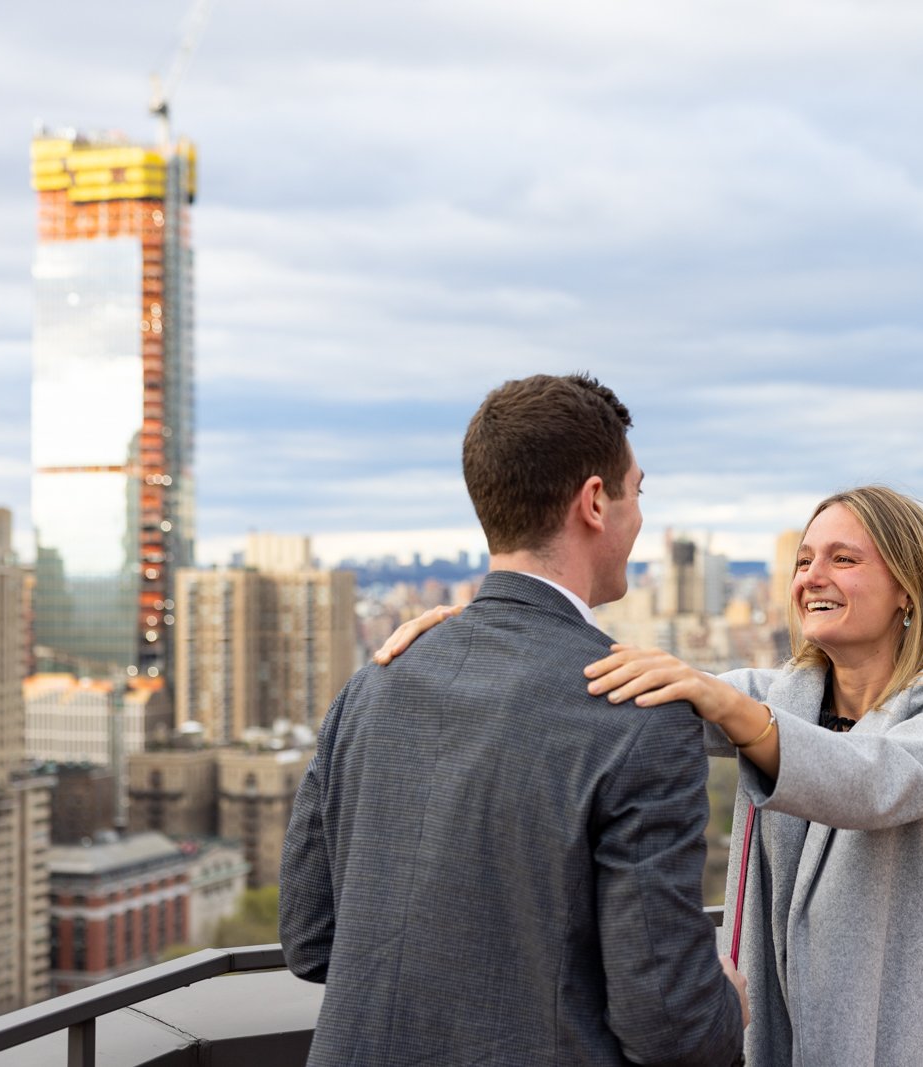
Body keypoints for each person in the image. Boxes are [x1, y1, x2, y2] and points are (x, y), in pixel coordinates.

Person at [379, 485, 923, 1066]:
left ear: (909, 586)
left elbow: (870, 782)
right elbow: (608, 701)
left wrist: (732, 709)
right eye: (804, 560)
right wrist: (479, 636)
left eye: (843, 559)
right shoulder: (784, 696)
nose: (813, 575)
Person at [280, 373, 747, 1066]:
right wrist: (730, 1001)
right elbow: (667, 1023)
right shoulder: (639, 717)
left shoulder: (374, 680)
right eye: (636, 491)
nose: (640, 515)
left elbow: (313, 938)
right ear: (595, 501)